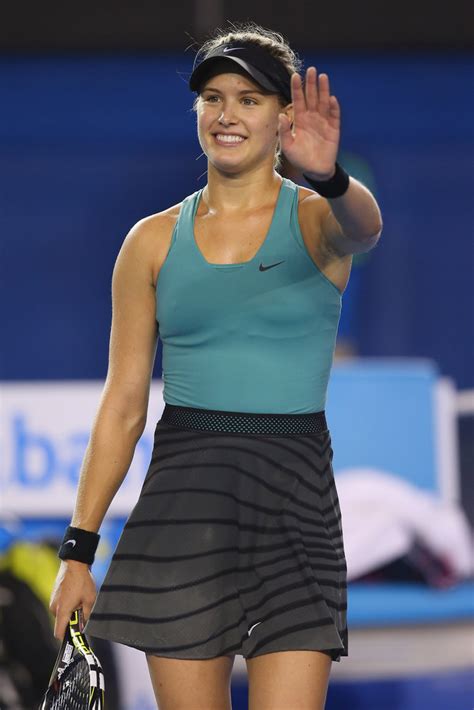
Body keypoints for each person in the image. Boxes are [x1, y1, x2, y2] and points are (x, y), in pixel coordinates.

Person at [49, 22, 383, 710]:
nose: (227, 114)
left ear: (285, 115)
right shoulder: (149, 241)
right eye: (212, 97)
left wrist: (331, 174)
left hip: (296, 511)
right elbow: (123, 408)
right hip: (184, 514)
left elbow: (366, 226)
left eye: (250, 99)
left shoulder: (320, 221)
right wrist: (77, 552)